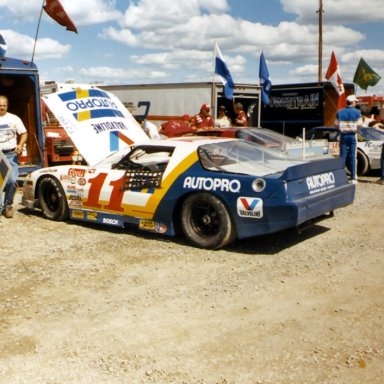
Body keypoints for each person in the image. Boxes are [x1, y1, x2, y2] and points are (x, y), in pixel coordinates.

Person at [0, 95, 28, 218]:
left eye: (3, 105)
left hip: (11, 154)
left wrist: (20, 145)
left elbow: (24, 133)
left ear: (7, 106)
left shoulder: (14, 118)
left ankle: (8, 205)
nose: (1, 107)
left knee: (11, 181)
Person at [334, 94, 363, 184]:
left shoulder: (339, 112)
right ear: (353, 102)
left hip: (343, 135)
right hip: (352, 136)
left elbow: (335, 124)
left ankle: (341, 177)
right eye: (355, 102)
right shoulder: (357, 112)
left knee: (342, 156)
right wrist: (354, 129)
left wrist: (342, 128)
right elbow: (360, 125)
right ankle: (353, 177)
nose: (356, 103)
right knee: (352, 156)